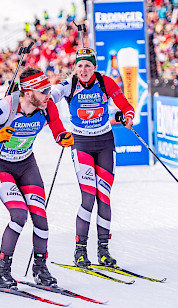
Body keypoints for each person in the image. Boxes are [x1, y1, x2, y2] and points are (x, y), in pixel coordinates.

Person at [0, 67, 73, 288]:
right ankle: (2, 270)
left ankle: (40, 268)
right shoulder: (6, 107)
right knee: (19, 215)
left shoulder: (47, 105)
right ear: (28, 93)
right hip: (1, 165)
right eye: (43, 90)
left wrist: (63, 137)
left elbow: (58, 129)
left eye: (48, 89)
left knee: (41, 218)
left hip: (26, 164)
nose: (48, 93)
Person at [50, 47, 134, 268]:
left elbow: (124, 104)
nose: (84, 70)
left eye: (88, 65)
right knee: (88, 197)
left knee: (104, 196)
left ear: (94, 67)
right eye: (80, 66)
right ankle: (80, 251)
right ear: (75, 68)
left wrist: (128, 114)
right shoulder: (69, 84)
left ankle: (103, 250)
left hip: (105, 143)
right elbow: (49, 100)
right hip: (81, 145)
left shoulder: (105, 82)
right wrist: (59, 131)